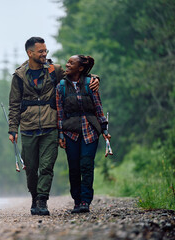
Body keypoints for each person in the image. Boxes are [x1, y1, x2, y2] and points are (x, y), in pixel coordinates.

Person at [7, 37, 100, 216]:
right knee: (32, 168)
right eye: (41, 51)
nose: (44, 54)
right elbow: (14, 104)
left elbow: (77, 75)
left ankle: (42, 201)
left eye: (45, 51)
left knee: (47, 166)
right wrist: (13, 129)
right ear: (30, 53)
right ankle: (34, 198)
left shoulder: (54, 70)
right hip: (28, 127)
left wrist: (95, 77)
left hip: (51, 126)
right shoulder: (19, 76)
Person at [55, 55, 111, 213]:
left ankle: (85, 201)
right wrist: (60, 135)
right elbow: (60, 114)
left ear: (80, 68)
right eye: (67, 62)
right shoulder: (61, 87)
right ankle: (77, 200)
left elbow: (98, 108)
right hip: (70, 132)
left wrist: (104, 129)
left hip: (90, 130)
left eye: (71, 63)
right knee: (74, 167)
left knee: (86, 165)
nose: (67, 65)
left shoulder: (90, 84)